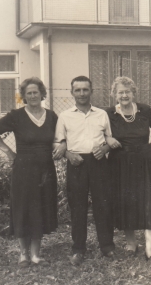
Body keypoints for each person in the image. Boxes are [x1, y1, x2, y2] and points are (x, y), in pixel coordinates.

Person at [0, 77, 65, 267]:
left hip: (45, 169)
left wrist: (61, 146)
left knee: (40, 208)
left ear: (41, 94)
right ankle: (23, 254)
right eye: (28, 93)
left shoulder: (52, 116)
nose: (32, 96)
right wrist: (9, 152)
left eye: (35, 92)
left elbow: (59, 138)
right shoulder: (16, 116)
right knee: (23, 208)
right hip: (23, 169)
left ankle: (36, 254)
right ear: (23, 96)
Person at [55, 75, 115, 266]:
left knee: (103, 206)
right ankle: (78, 249)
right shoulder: (64, 116)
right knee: (78, 207)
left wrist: (105, 148)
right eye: (78, 90)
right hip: (77, 163)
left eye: (85, 89)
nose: (82, 93)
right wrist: (68, 155)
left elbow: (110, 139)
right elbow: (59, 142)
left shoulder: (101, 114)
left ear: (91, 91)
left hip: (99, 163)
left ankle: (107, 247)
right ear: (72, 92)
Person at [105, 76, 151, 265]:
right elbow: (98, 131)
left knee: (148, 201)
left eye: (127, 92)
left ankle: (150, 249)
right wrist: (108, 140)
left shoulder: (144, 110)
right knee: (126, 202)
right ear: (114, 95)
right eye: (120, 92)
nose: (124, 95)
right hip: (120, 164)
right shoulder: (108, 114)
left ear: (133, 93)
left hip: (143, 162)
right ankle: (131, 243)